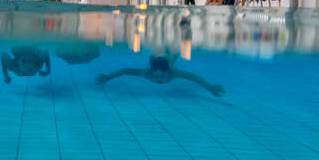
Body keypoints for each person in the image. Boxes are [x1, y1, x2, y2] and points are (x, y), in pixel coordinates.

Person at [95, 54, 225, 97]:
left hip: (169, 60)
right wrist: (108, 78)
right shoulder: (147, 72)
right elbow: (124, 70)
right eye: (157, 77)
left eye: (162, 77)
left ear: (167, 73)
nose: (159, 81)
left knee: (171, 56)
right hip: (157, 61)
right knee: (159, 55)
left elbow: (194, 77)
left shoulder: (173, 73)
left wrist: (210, 88)